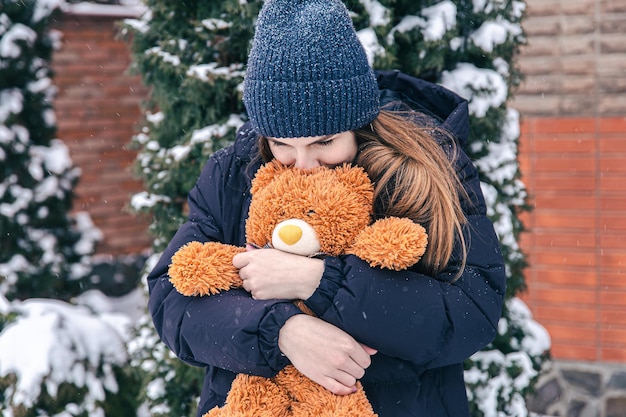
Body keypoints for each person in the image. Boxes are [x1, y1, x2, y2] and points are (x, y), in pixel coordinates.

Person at [146, 0, 506, 416]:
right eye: (282, 144)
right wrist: (281, 331)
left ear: (359, 123)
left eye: (324, 143)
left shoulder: (424, 170)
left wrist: (321, 282)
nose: (303, 164)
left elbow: (470, 313)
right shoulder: (235, 173)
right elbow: (173, 300)